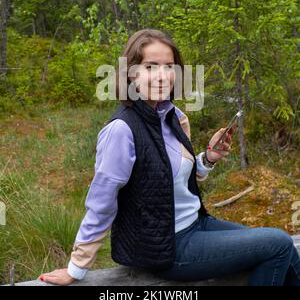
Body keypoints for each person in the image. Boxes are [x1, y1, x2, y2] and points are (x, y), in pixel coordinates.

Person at [39, 29, 300, 286]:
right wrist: (76, 267)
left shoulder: (173, 116)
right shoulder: (121, 130)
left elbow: (173, 177)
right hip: (166, 248)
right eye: (151, 67)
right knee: (278, 243)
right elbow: (102, 203)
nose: (162, 76)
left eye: (169, 67)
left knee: (287, 252)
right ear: (131, 73)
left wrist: (208, 158)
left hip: (198, 224)